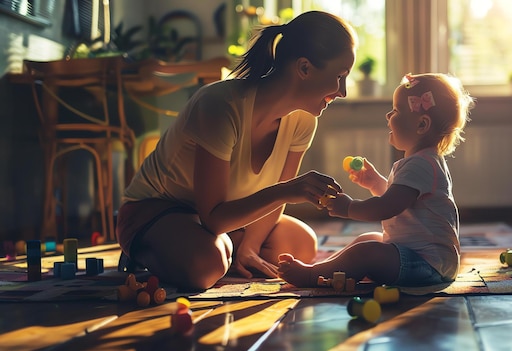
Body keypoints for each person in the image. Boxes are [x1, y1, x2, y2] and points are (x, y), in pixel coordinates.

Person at [116, 11, 358, 290]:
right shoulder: (221, 106)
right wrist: (287, 190)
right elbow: (215, 216)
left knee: (301, 245)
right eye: (339, 76)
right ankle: (146, 251)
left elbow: (273, 206)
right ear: (303, 68)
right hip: (157, 211)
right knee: (207, 264)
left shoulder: (304, 120)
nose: (343, 91)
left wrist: (250, 248)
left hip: (217, 221)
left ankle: (229, 252)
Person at [278, 73, 475, 287]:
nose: (388, 115)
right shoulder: (422, 162)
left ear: (422, 125)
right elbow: (400, 201)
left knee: (367, 252)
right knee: (368, 239)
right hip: (416, 257)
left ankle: (312, 276)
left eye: (397, 111)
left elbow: (387, 207)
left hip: (427, 265)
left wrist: (349, 207)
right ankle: (328, 268)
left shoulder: (420, 165)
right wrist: (375, 183)